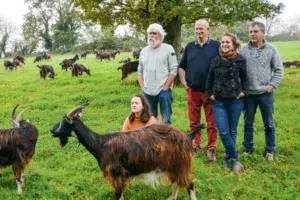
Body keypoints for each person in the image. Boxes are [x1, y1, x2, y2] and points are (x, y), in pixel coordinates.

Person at [240, 21, 284, 161]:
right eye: (251, 32)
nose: (252, 34)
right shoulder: (243, 50)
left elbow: (279, 70)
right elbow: (238, 70)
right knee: (248, 123)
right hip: (248, 94)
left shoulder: (271, 50)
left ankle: (270, 150)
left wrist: (272, 86)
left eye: (256, 31)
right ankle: (248, 148)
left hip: (266, 93)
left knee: (269, 124)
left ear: (263, 33)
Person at [178, 19, 219, 161]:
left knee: (212, 121)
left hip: (210, 91)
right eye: (196, 29)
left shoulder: (216, 46)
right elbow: (181, 66)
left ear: (208, 30)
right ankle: (195, 145)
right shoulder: (189, 47)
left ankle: (211, 147)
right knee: (194, 121)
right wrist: (184, 83)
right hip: (193, 90)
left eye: (201, 29)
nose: (198, 31)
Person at [206, 33, 248, 171]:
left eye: (227, 42)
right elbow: (209, 80)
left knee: (232, 130)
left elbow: (245, 79)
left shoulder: (241, 60)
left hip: (236, 101)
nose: (224, 44)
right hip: (219, 102)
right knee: (223, 131)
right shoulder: (215, 60)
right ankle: (234, 157)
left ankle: (228, 156)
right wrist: (210, 94)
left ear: (234, 45)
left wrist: (243, 92)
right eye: (222, 42)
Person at [138, 23, 178, 125]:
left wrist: (166, 87)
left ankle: (167, 140)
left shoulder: (168, 49)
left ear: (160, 35)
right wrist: (142, 86)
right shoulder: (144, 51)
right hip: (148, 91)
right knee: (150, 120)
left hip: (163, 90)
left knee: (166, 120)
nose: (151, 35)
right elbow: (140, 70)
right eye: (150, 33)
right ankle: (153, 141)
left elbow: (173, 69)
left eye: (154, 33)